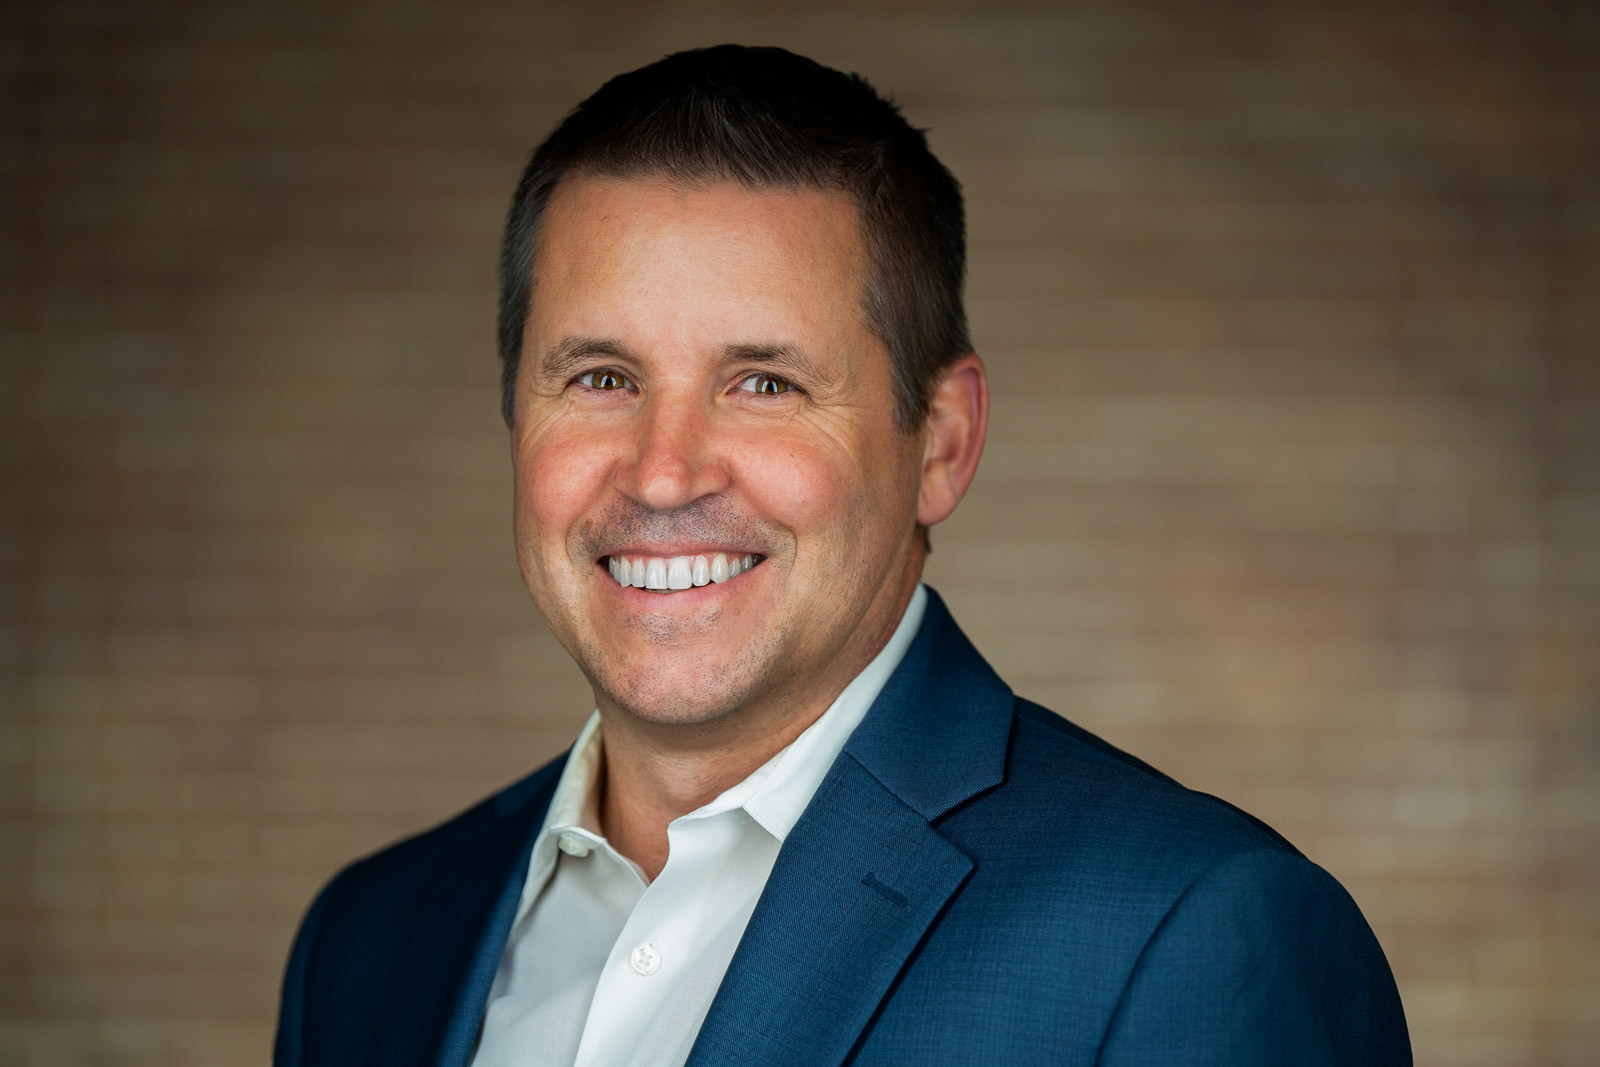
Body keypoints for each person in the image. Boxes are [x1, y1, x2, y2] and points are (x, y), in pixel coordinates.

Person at [274, 44, 1411, 1067]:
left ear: (942, 442)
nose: (663, 473)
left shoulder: (1186, 935)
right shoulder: (372, 939)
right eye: (601, 378)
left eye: (763, 383)